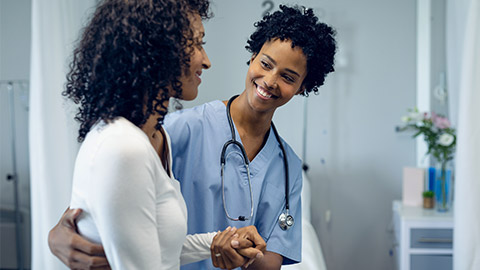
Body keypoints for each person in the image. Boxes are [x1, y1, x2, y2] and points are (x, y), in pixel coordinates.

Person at [49, 4, 337, 270]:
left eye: (288, 77)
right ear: (252, 57)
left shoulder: (288, 168)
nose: (270, 81)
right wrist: (57, 236)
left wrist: (237, 249)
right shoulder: (179, 129)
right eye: (265, 63)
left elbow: (272, 258)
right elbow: (109, 195)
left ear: (302, 87)